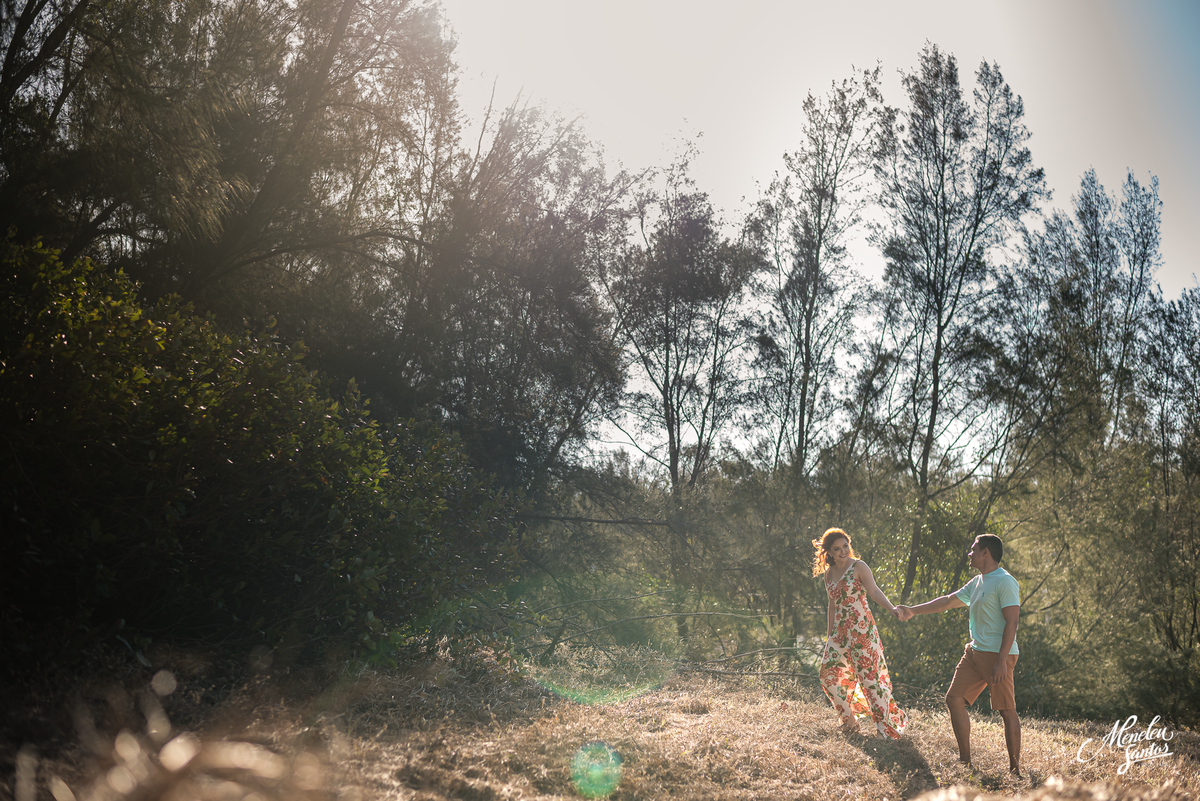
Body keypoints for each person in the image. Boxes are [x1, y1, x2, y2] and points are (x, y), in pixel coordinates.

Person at [896, 534, 1022, 776]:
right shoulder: (977, 582)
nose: (969, 554)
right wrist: (912, 611)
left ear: (986, 552)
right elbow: (946, 601)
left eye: (973, 549)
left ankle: (1015, 770)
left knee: (1006, 710)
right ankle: (965, 761)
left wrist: (1001, 662)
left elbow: (1012, 622)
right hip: (974, 652)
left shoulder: (1005, 582)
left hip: (998, 656)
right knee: (954, 699)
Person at [813, 527, 907, 739]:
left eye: (845, 546)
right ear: (829, 552)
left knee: (870, 680)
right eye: (836, 549)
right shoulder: (828, 575)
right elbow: (832, 606)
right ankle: (850, 722)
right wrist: (829, 637)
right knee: (828, 676)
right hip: (839, 634)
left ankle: (886, 728)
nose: (843, 551)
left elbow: (874, 591)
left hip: (862, 631)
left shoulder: (859, 567)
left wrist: (892, 609)